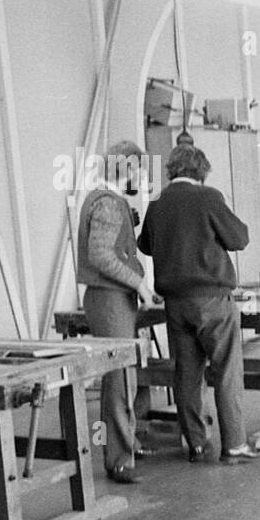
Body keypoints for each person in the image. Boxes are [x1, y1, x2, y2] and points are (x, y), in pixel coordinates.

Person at [137, 144, 260, 464]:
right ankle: (233, 444)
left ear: (173, 171)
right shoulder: (208, 197)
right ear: (201, 171)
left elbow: (145, 245)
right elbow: (239, 239)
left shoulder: (157, 202)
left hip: (175, 305)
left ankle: (195, 444)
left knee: (187, 375)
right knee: (226, 372)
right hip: (212, 300)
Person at [76, 140, 160, 484]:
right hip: (109, 299)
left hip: (114, 298)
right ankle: (118, 460)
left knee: (128, 375)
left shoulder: (107, 200)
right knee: (118, 381)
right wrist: (140, 285)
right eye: (137, 170)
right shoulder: (109, 204)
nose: (140, 178)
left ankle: (129, 442)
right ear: (124, 168)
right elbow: (101, 257)